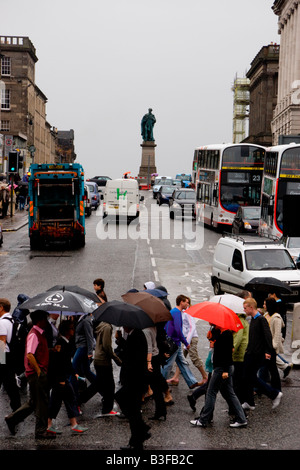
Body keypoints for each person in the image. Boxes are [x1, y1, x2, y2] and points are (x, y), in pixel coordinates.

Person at [5, 310, 55, 439]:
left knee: (33, 402)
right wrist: (39, 371)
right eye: (45, 318)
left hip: (37, 373)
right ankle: (40, 431)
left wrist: (51, 350)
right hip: (36, 374)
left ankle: (12, 419)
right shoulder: (34, 334)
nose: (47, 321)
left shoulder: (39, 333)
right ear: (40, 320)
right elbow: (30, 354)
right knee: (42, 402)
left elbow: (37, 351)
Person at [190, 325, 247, 428]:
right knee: (229, 393)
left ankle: (203, 419)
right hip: (223, 367)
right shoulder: (220, 332)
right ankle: (242, 418)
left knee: (211, 392)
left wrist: (225, 370)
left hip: (222, 368)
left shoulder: (226, 334)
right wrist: (211, 339)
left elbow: (228, 352)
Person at [240, 298, 283, 411]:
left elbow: (267, 336)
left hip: (257, 354)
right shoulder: (253, 319)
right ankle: (250, 402)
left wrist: (268, 352)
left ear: (251, 307)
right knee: (247, 376)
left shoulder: (261, 319)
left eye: (245, 308)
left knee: (250, 376)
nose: (244, 310)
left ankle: (273, 394)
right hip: (251, 352)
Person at [47, 320, 88, 434]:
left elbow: (66, 362)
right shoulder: (61, 343)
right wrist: (61, 379)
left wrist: (73, 372)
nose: (73, 330)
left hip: (63, 377)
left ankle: (72, 424)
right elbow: (58, 362)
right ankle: (52, 424)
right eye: (71, 328)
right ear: (66, 330)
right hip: (60, 378)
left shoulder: (66, 342)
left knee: (65, 399)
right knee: (60, 401)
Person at [115, 326, 150, 451]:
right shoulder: (134, 335)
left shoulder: (137, 335)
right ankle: (139, 436)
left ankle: (138, 436)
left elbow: (133, 357)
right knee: (133, 411)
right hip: (134, 379)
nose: (123, 327)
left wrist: (121, 342)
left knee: (130, 408)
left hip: (135, 380)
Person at [161, 295, 201, 390]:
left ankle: (192, 382)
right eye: (186, 302)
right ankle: (160, 384)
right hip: (174, 342)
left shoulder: (174, 312)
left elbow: (166, 327)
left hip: (174, 342)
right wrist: (186, 343)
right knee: (168, 365)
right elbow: (178, 330)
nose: (188, 304)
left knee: (182, 362)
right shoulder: (177, 313)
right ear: (181, 302)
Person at [90, 321, 122, 417]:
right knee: (110, 386)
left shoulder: (102, 325)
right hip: (104, 360)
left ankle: (78, 401)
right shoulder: (107, 327)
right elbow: (107, 346)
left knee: (98, 384)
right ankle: (107, 409)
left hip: (98, 358)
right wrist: (117, 360)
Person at [0, 298, 21, 412]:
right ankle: (17, 409)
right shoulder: (11, 320)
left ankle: (17, 410)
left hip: (4, 357)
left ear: (1, 307)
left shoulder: (1, 322)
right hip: (11, 356)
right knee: (10, 385)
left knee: (10, 384)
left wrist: (1, 361)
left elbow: (2, 341)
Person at [143, 326, 167, 420]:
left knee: (154, 386)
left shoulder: (146, 330)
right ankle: (161, 411)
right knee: (156, 387)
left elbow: (149, 348)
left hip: (152, 359)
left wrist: (148, 362)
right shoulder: (153, 326)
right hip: (156, 357)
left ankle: (160, 411)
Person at [265, 297, 293, 379]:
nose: (263, 306)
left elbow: (277, 334)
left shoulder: (276, 318)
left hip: (271, 345)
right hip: (267, 344)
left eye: (265, 304)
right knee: (268, 367)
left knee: (270, 368)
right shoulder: (266, 315)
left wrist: (273, 346)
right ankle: (285, 366)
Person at [232, 309, 249, 403]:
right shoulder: (243, 321)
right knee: (239, 379)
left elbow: (237, 340)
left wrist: (231, 351)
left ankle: (237, 404)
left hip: (238, 355)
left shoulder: (239, 322)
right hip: (242, 354)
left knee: (236, 381)